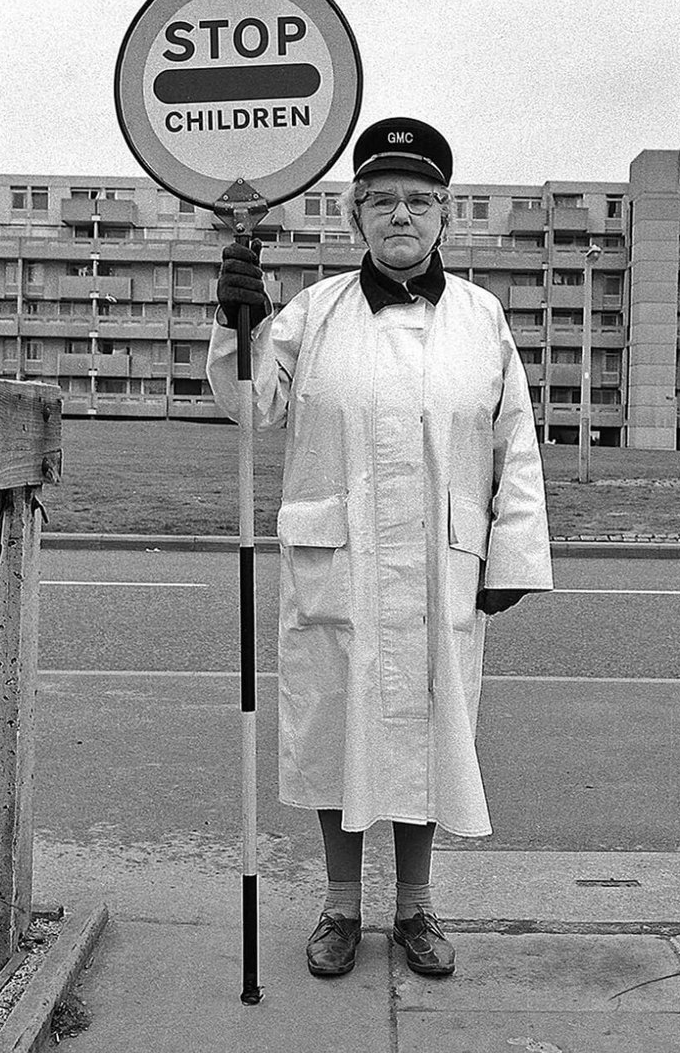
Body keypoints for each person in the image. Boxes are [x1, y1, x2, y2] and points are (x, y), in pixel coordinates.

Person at [207, 116, 553, 979]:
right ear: (356, 216)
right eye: (382, 201)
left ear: (444, 217)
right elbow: (252, 405)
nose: (401, 215)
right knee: (335, 735)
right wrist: (236, 320)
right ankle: (337, 909)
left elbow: (516, 439)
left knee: (428, 733)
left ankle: (413, 910)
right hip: (341, 565)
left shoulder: (482, 317)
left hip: (442, 568)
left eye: (419, 201)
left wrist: (509, 555)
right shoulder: (311, 313)